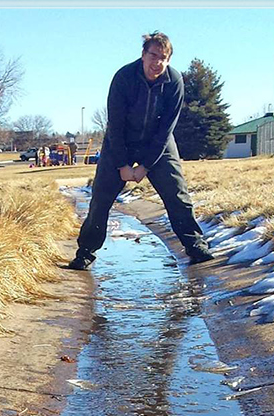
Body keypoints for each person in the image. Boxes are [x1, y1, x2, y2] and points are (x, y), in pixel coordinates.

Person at [68, 32, 213, 270]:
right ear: (143, 55)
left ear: (169, 60)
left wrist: (145, 166)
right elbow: (115, 124)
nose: (157, 62)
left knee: (178, 196)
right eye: (153, 55)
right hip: (121, 140)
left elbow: (166, 128)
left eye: (163, 58)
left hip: (158, 142)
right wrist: (122, 165)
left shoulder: (174, 81)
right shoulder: (124, 77)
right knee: (101, 198)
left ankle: (195, 245)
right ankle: (85, 252)